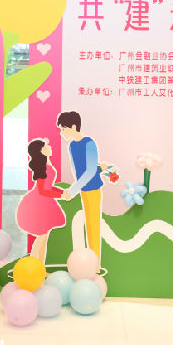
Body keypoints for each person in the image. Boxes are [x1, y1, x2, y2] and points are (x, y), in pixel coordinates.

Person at [57, 111, 103, 260]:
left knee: (93, 225)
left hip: (93, 188)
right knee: (88, 223)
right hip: (82, 188)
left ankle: (95, 262)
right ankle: (90, 259)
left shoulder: (89, 143)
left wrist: (72, 190)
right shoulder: (71, 146)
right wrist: (76, 187)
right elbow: (75, 169)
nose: (62, 132)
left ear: (73, 126)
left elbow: (90, 170)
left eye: (64, 128)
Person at [15, 139, 66, 260]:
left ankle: (40, 264)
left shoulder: (46, 166)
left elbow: (48, 187)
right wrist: (60, 195)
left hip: (43, 201)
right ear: (41, 151)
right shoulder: (44, 168)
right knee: (42, 237)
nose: (49, 147)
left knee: (44, 237)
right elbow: (42, 191)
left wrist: (61, 192)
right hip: (39, 203)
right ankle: (34, 262)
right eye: (45, 146)